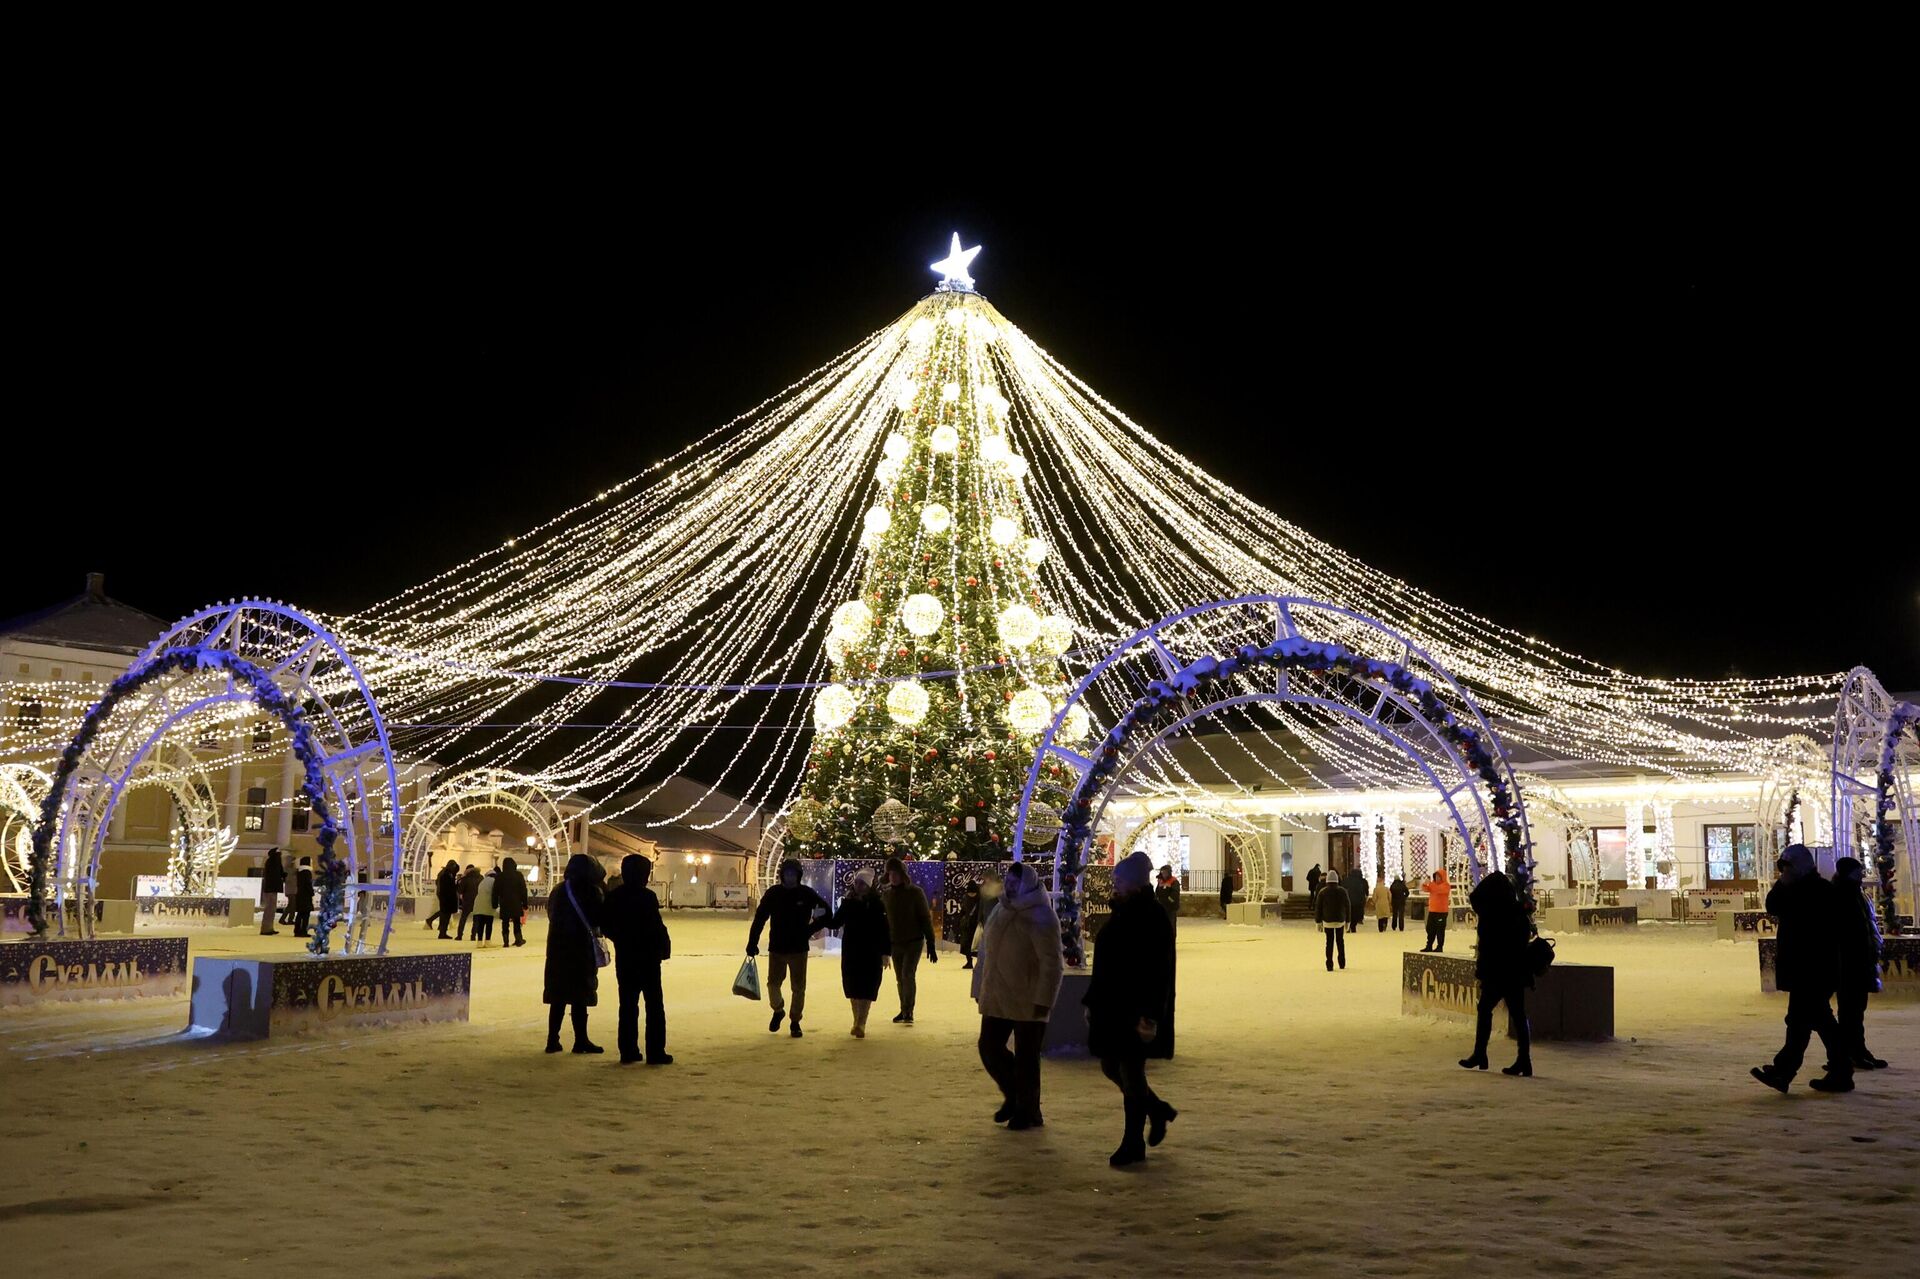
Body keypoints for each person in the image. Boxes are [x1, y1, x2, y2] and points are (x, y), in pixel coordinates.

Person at [1084, 850, 1176, 1167]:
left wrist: (1150, 1014)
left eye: (1119, 880)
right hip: (1114, 1004)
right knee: (1111, 1065)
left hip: (1134, 1007)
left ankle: (1133, 1143)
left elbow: (1158, 969)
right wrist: (1092, 1001)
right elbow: (1106, 964)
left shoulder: (1151, 915)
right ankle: (1157, 1109)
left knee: (1131, 1071)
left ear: (1134, 884)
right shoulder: (1124, 910)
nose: (1114, 884)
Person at [1751, 845, 1852, 1093]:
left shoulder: (1817, 891)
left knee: (1814, 1022)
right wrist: (1782, 884)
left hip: (1814, 970)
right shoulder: (1799, 888)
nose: (1784, 873)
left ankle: (1837, 1072)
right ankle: (1788, 1072)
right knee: (1802, 1022)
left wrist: (1784, 886)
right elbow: (1772, 905)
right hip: (1806, 970)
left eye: (1787, 868)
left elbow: (1786, 912)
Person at [973, 861, 1065, 1130]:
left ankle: (1028, 1111)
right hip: (999, 995)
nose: (1010, 886)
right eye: (1009, 881)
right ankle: (1015, 1096)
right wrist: (979, 988)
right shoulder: (1002, 908)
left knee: (1027, 1058)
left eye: (1016, 882)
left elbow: (1051, 963)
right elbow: (986, 953)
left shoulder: (1041, 915)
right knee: (989, 1048)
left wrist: (1044, 1000)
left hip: (1028, 999)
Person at [1458, 871, 1534, 1077]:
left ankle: (1481, 1053)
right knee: (1517, 1014)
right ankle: (1523, 1059)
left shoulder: (1493, 915)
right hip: (1514, 971)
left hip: (1498, 971)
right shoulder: (1516, 912)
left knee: (1486, 1009)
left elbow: (1490, 943)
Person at [747, 857, 831, 1038]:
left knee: (798, 987)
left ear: (798, 875)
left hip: (798, 948)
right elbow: (760, 918)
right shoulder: (774, 893)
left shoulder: (806, 894)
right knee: (773, 984)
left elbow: (826, 912)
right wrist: (752, 942)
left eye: (793, 874)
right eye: (787, 873)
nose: (790, 877)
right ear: (782, 875)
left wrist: (810, 929)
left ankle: (795, 1021)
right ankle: (778, 1010)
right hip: (777, 947)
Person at [602, 853, 672, 1064]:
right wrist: (662, 947)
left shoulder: (615, 896)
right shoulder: (647, 897)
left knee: (628, 1005)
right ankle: (655, 1051)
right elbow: (655, 926)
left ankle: (628, 1050)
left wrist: (620, 938)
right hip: (648, 957)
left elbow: (605, 925)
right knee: (654, 1005)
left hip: (626, 956)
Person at [545, 853, 606, 1054]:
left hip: (557, 948)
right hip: (581, 949)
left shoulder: (558, 890)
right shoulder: (591, 891)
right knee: (580, 995)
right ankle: (581, 1040)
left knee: (558, 995)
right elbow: (598, 918)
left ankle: (552, 1039)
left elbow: (551, 914)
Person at [1832, 857, 1888, 1071]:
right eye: (1857, 871)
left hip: (1859, 959)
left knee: (1856, 1010)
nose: (1861, 874)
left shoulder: (1855, 893)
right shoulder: (1843, 894)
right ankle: (1850, 1053)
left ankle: (1857, 1050)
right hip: (1849, 962)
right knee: (1850, 1011)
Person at [830, 869, 891, 1037]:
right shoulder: (848, 903)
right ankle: (857, 1020)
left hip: (871, 951)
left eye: (862, 883)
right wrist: (821, 916)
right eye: (856, 883)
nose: (858, 886)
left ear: (869, 886)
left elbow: (884, 929)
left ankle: (861, 1021)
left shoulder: (877, 904)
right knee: (853, 987)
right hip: (852, 950)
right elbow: (835, 922)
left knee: (867, 987)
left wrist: (886, 953)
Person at [881, 855, 938, 1024]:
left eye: (896, 873)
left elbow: (925, 918)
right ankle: (904, 1009)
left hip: (913, 941)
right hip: (895, 942)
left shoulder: (915, 892)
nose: (893, 877)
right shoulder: (886, 894)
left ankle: (908, 1010)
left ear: (902, 875)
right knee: (900, 977)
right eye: (890, 874)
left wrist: (931, 942)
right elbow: (883, 921)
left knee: (907, 974)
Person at [1315, 872, 1349, 970]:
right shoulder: (1343, 891)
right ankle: (1342, 962)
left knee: (1329, 942)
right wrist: (1348, 920)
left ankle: (1329, 964)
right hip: (1340, 920)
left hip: (1327, 921)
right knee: (1340, 941)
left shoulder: (1322, 892)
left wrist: (1318, 921)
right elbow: (1348, 906)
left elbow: (1318, 907)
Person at [495, 856, 529, 947]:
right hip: (516, 902)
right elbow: (523, 890)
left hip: (504, 902)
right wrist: (525, 903)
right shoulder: (518, 875)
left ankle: (506, 942)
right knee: (516, 922)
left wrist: (494, 903)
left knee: (505, 922)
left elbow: (495, 891)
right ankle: (518, 939)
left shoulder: (500, 876)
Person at [1421, 866, 1451, 953]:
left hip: (1441, 912)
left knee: (1440, 930)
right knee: (1430, 929)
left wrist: (1430, 884)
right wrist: (1425, 883)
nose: (1437, 878)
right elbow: (1425, 889)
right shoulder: (1433, 885)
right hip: (1432, 911)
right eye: (1436, 877)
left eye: (1439, 877)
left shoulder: (1446, 886)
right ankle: (1429, 945)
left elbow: (1438, 890)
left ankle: (1439, 946)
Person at [428, 859, 460, 938]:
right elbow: (448, 887)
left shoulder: (447, 873)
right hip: (446, 898)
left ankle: (442, 931)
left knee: (444, 914)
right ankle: (442, 932)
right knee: (445, 914)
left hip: (444, 897)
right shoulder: (447, 875)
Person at [258, 847, 286, 936]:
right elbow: (275, 875)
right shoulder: (273, 863)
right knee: (270, 909)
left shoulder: (272, 862)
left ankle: (269, 928)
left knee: (271, 909)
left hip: (271, 888)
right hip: (271, 889)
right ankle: (266, 929)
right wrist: (282, 876)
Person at [956, 879, 982, 970]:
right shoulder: (973, 898)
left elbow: (963, 910)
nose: (971, 895)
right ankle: (970, 961)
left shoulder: (978, 899)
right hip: (970, 924)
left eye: (972, 893)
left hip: (975, 924)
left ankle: (974, 962)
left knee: (974, 945)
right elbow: (963, 910)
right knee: (969, 944)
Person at [470, 865, 498, 944]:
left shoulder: (482, 881)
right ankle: (487, 941)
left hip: (479, 905)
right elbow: (495, 893)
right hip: (488, 905)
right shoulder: (494, 881)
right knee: (489, 924)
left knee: (481, 924)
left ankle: (479, 941)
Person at [455, 864, 482, 940]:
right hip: (478, 900)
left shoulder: (466, 878)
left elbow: (460, 890)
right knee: (476, 919)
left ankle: (459, 935)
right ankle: (473, 936)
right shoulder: (481, 878)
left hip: (467, 901)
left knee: (463, 918)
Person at [290, 856, 314, 937]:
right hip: (306, 896)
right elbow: (308, 884)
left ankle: (297, 930)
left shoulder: (299, 872)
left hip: (300, 895)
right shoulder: (307, 872)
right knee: (306, 915)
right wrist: (312, 892)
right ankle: (303, 931)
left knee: (300, 914)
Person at [1342, 866, 1367, 934]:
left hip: (1348, 900)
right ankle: (1353, 926)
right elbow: (1365, 892)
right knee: (1355, 915)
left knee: (1349, 914)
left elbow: (1342, 889)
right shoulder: (1362, 881)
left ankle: (1348, 926)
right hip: (1358, 902)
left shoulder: (1346, 880)